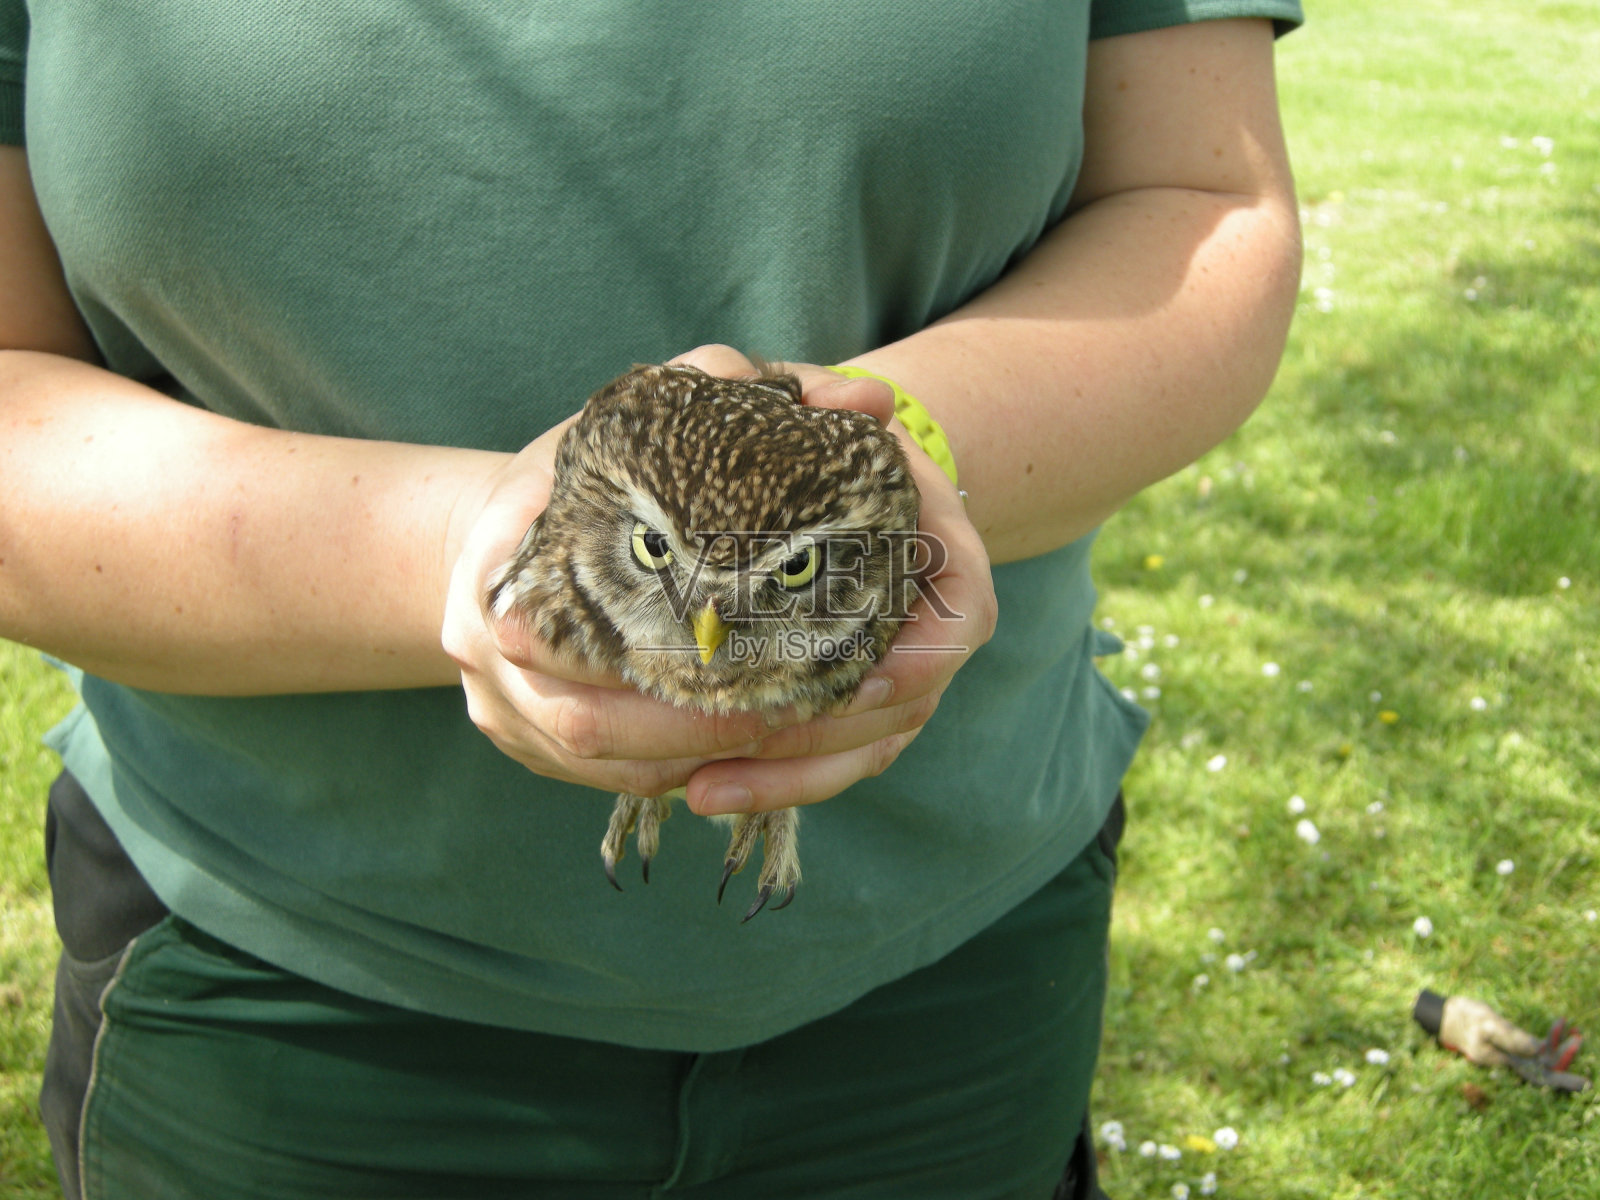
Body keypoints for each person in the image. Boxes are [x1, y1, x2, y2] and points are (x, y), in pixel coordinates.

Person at [0, 2, 1303, 1197]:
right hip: (281, 978)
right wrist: (496, 558)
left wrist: (889, 464)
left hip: (949, 963)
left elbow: (1199, 202)